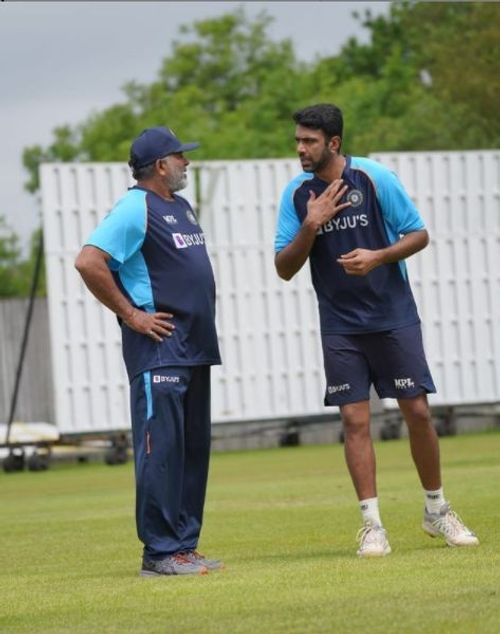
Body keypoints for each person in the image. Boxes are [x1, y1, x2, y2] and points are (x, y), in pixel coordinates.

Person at [274, 103, 479, 557]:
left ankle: (437, 510)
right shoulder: (296, 195)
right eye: (297, 141)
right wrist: (311, 225)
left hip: (393, 316)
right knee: (354, 419)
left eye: (309, 141)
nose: (300, 149)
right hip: (340, 325)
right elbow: (284, 267)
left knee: (418, 413)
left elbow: (418, 234)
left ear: (334, 143)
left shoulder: (374, 179)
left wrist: (378, 256)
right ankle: (372, 525)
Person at [75, 126, 223, 576]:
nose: (187, 163)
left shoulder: (180, 206)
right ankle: (159, 553)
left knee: (191, 452)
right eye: (181, 157)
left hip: (194, 348)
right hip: (159, 352)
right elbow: (89, 261)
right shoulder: (133, 208)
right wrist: (132, 315)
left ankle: (183, 546)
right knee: (161, 452)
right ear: (160, 165)